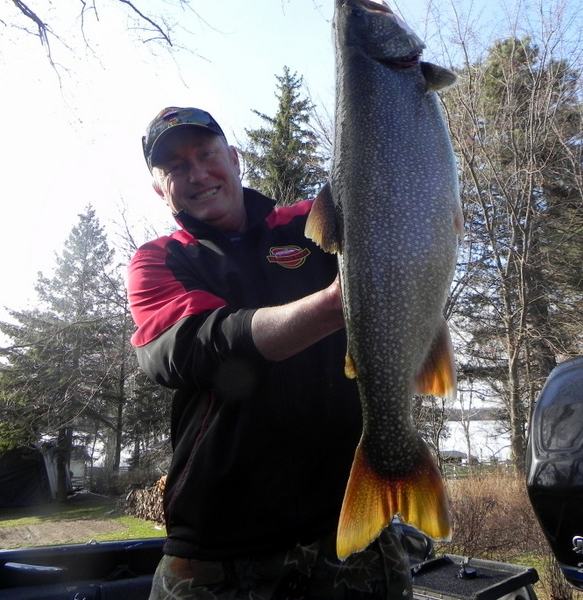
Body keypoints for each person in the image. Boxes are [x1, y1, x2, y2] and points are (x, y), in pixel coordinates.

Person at [127, 106, 413, 599]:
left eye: (206, 154)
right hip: (219, 541)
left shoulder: (312, 221)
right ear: (159, 188)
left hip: (350, 521)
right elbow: (204, 343)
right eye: (174, 167)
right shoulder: (159, 259)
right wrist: (337, 304)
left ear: (234, 160)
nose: (197, 173)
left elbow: (395, 192)